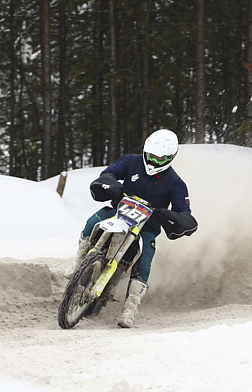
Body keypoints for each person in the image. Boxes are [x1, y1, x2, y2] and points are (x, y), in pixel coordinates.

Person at [67, 129, 198, 328]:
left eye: (160, 158)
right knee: (91, 222)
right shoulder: (131, 161)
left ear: (170, 158)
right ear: (145, 151)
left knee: (146, 257)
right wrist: (111, 183)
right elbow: (109, 172)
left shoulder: (176, 183)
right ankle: (79, 262)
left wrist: (169, 215)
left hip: (147, 226)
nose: (154, 161)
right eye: (151, 156)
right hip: (118, 211)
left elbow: (184, 212)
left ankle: (130, 307)